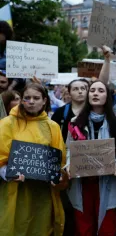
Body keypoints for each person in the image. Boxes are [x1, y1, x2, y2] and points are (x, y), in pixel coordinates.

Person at [0, 83, 67, 236]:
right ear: (21, 100)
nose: (31, 101)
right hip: (14, 191)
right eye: (27, 98)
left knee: (40, 228)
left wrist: (57, 176)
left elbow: (59, 159)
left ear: (44, 100)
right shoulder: (7, 124)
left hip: (42, 193)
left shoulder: (53, 126)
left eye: (36, 98)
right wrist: (6, 172)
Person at [66, 80, 116, 236]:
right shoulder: (75, 122)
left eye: (100, 90)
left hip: (107, 183)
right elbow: (69, 150)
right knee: (84, 228)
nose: (95, 93)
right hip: (82, 184)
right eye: (92, 90)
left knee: (107, 228)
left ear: (107, 96)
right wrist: (69, 165)